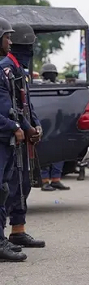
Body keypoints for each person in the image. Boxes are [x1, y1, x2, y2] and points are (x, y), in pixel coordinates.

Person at [0, 22, 46, 251]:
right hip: (11, 133)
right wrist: (25, 127)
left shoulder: (20, 70)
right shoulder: (7, 68)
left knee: (23, 183)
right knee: (10, 185)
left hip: (21, 134)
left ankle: (18, 231)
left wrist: (35, 125)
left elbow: (26, 103)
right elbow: (10, 107)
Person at [0, 18, 28, 262]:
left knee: (3, 189)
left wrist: (24, 126)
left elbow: (13, 107)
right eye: (7, 37)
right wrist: (14, 126)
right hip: (2, 136)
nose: (11, 41)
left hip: (5, 137)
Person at [39, 64, 70, 191]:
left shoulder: (60, 87)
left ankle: (56, 179)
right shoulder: (39, 88)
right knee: (45, 154)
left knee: (59, 153)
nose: (50, 77)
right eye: (48, 74)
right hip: (44, 123)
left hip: (58, 125)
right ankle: (45, 180)